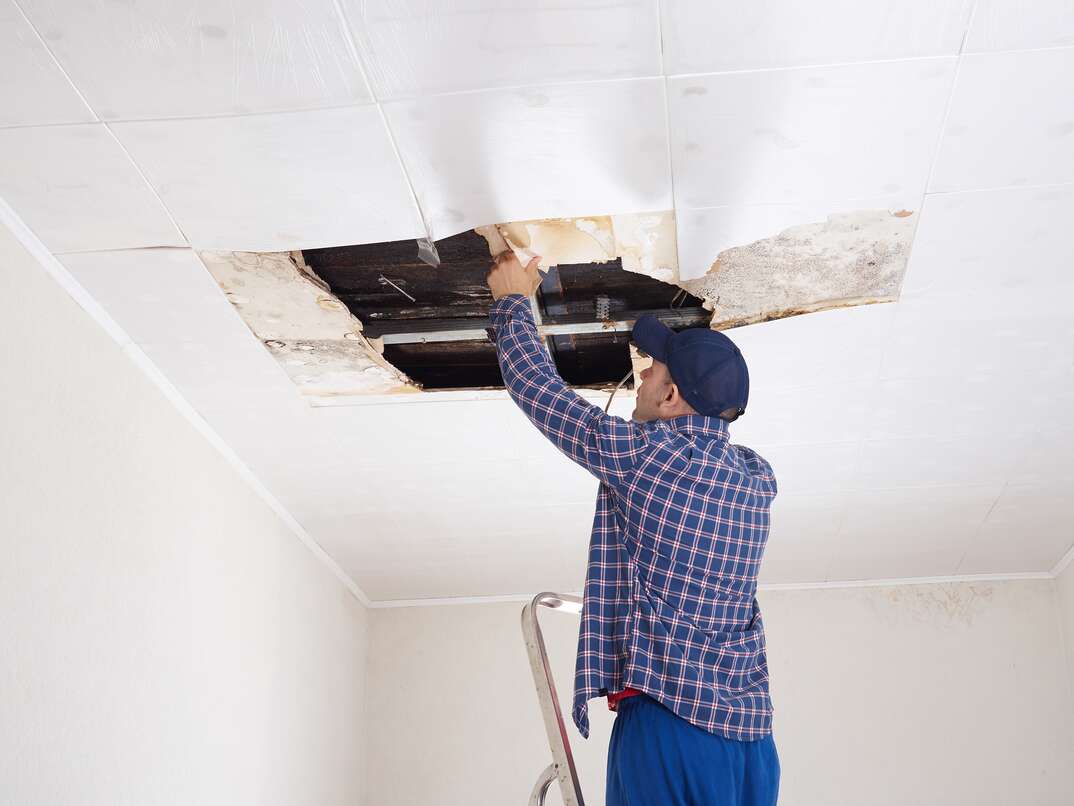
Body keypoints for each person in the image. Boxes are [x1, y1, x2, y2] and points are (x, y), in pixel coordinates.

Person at [486, 251, 780, 806]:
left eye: (655, 370)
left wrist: (511, 302)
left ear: (670, 397)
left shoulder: (650, 459)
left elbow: (542, 396)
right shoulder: (755, 479)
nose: (641, 373)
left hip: (671, 726)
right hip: (751, 743)